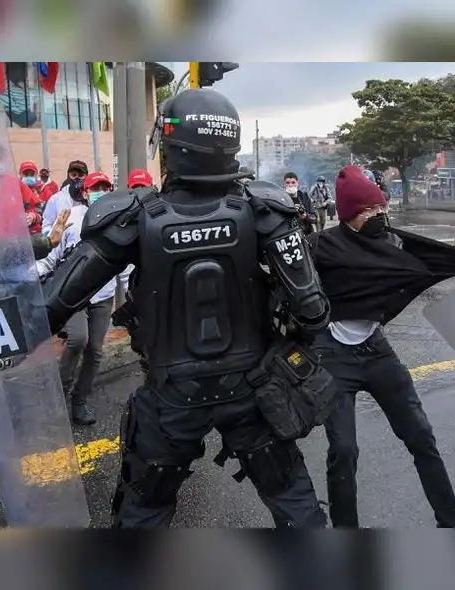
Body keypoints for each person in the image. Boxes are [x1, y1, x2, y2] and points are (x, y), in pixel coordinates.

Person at [42, 88, 332, 528]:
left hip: (171, 397)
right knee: (296, 507)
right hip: (253, 391)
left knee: (144, 515)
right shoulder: (264, 209)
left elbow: (50, 306)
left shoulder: (132, 215)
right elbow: (312, 310)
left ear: (171, 144)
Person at [306, 165, 455, 528]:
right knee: (343, 449)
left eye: (381, 207)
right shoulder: (320, 246)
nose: (378, 214)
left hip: (375, 351)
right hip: (333, 355)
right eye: (369, 210)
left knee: (421, 436)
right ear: (349, 214)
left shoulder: (393, 243)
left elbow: (431, 261)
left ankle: (449, 523)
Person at [37, 171, 128, 425]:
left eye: (105, 188)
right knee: (78, 339)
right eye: (95, 188)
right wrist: (32, 275)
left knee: (95, 350)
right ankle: (58, 396)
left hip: (103, 296)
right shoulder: (71, 218)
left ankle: (80, 400)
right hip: (73, 296)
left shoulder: (118, 220)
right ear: (85, 193)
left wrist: (132, 292)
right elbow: (52, 256)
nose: (101, 192)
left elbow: (125, 264)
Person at [42, 160, 89, 235]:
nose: (77, 178)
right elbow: (47, 224)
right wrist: (51, 236)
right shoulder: (56, 199)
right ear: (68, 176)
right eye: (73, 175)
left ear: (86, 176)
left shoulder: (91, 197)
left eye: (80, 175)